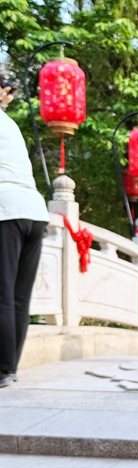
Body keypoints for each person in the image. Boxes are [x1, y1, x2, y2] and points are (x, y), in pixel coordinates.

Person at [0, 76, 49, 388]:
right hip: (35, 211)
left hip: (6, 210)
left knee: (2, 295)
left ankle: (3, 370)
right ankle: (9, 368)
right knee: (19, 298)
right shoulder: (11, 125)